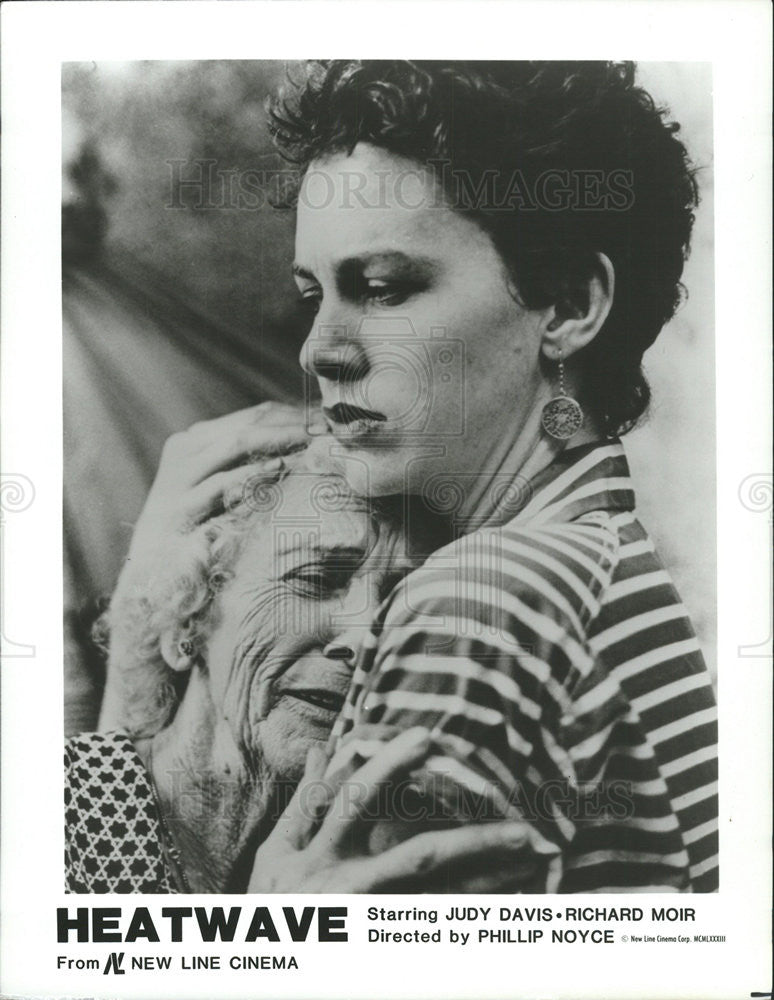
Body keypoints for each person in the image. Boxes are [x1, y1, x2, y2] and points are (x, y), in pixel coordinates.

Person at [106, 61, 718, 893]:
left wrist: (278, 937)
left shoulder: (482, 600)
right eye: (312, 294)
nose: (318, 350)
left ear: (571, 305)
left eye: (385, 288)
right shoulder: (604, 569)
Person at [70, 451, 551, 892]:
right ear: (186, 623)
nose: (366, 638)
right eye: (316, 580)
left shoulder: (400, 858)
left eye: (406, 602)